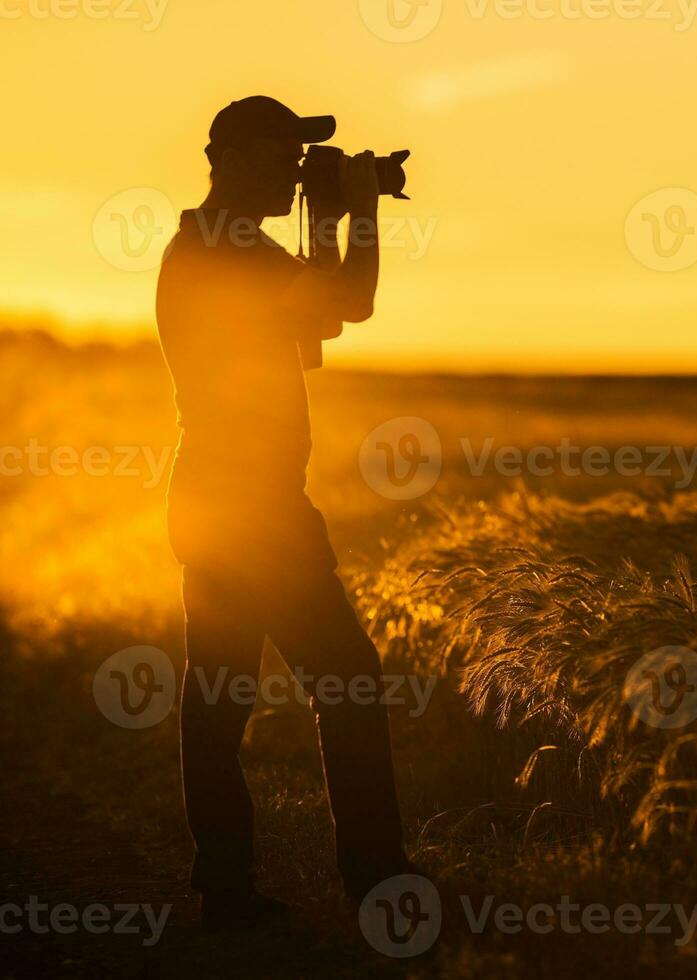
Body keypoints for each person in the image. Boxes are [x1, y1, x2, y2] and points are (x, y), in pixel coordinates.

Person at [154, 96, 411, 929]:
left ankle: (224, 887)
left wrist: (327, 219)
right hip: (255, 502)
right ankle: (376, 879)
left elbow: (316, 330)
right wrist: (363, 211)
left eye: (299, 158)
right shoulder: (228, 247)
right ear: (225, 157)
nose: (296, 169)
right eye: (281, 156)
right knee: (348, 679)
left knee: (220, 695)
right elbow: (358, 305)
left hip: (219, 494)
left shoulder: (219, 241)